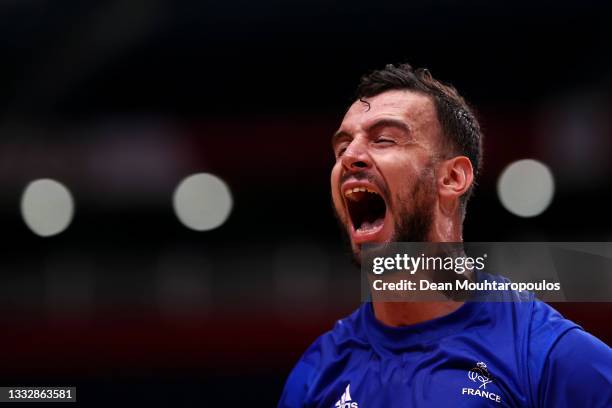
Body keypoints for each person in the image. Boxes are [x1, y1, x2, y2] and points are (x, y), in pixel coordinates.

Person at [278, 63, 611, 407]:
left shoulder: (545, 353)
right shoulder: (316, 373)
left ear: (452, 178)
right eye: (342, 147)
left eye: (384, 140)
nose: (351, 157)